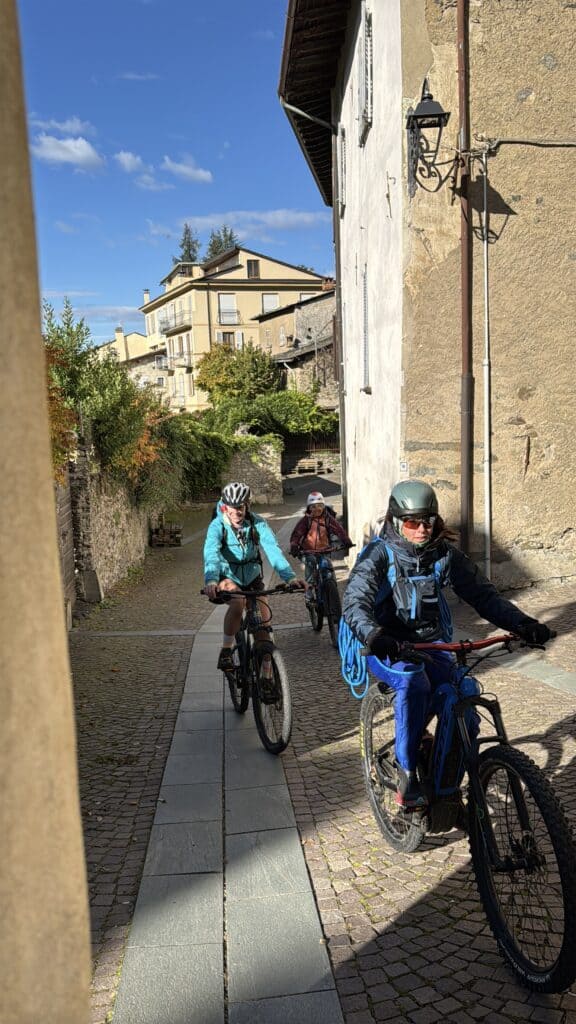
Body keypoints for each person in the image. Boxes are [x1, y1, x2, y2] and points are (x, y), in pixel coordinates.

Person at [342, 479, 554, 809]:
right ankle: (406, 770)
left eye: (429, 521)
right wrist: (375, 635)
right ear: (397, 522)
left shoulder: (444, 555)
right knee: (414, 681)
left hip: (431, 643)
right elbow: (355, 601)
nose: (422, 529)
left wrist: (523, 624)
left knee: (465, 695)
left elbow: (483, 595)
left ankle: (444, 791)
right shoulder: (379, 555)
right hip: (387, 645)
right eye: (413, 522)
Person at [203, 481, 304, 689]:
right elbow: (211, 554)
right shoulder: (217, 526)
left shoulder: (257, 523)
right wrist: (211, 580)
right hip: (227, 575)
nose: (237, 511)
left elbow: (273, 550)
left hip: (252, 577)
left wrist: (290, 578)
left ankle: (266, 675)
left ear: (247, 505)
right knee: (238, 603)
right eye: (233, 507)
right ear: (225, 507)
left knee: (263, 626)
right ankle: (226, 650)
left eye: (241, 506)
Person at [289, 491, 353, 602]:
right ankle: (308, 590)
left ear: (324, 506)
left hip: (324, 550)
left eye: (320, 506)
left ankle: (332, 587)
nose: (317, 509)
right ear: (309, 508)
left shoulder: (328, 519)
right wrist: (294, 546)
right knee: (310, 564)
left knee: (327, 566)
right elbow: (297, 534)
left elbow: (338, 529)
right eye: (313, 507)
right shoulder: (305, 521)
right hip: (308, 551)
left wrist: (346, 540)